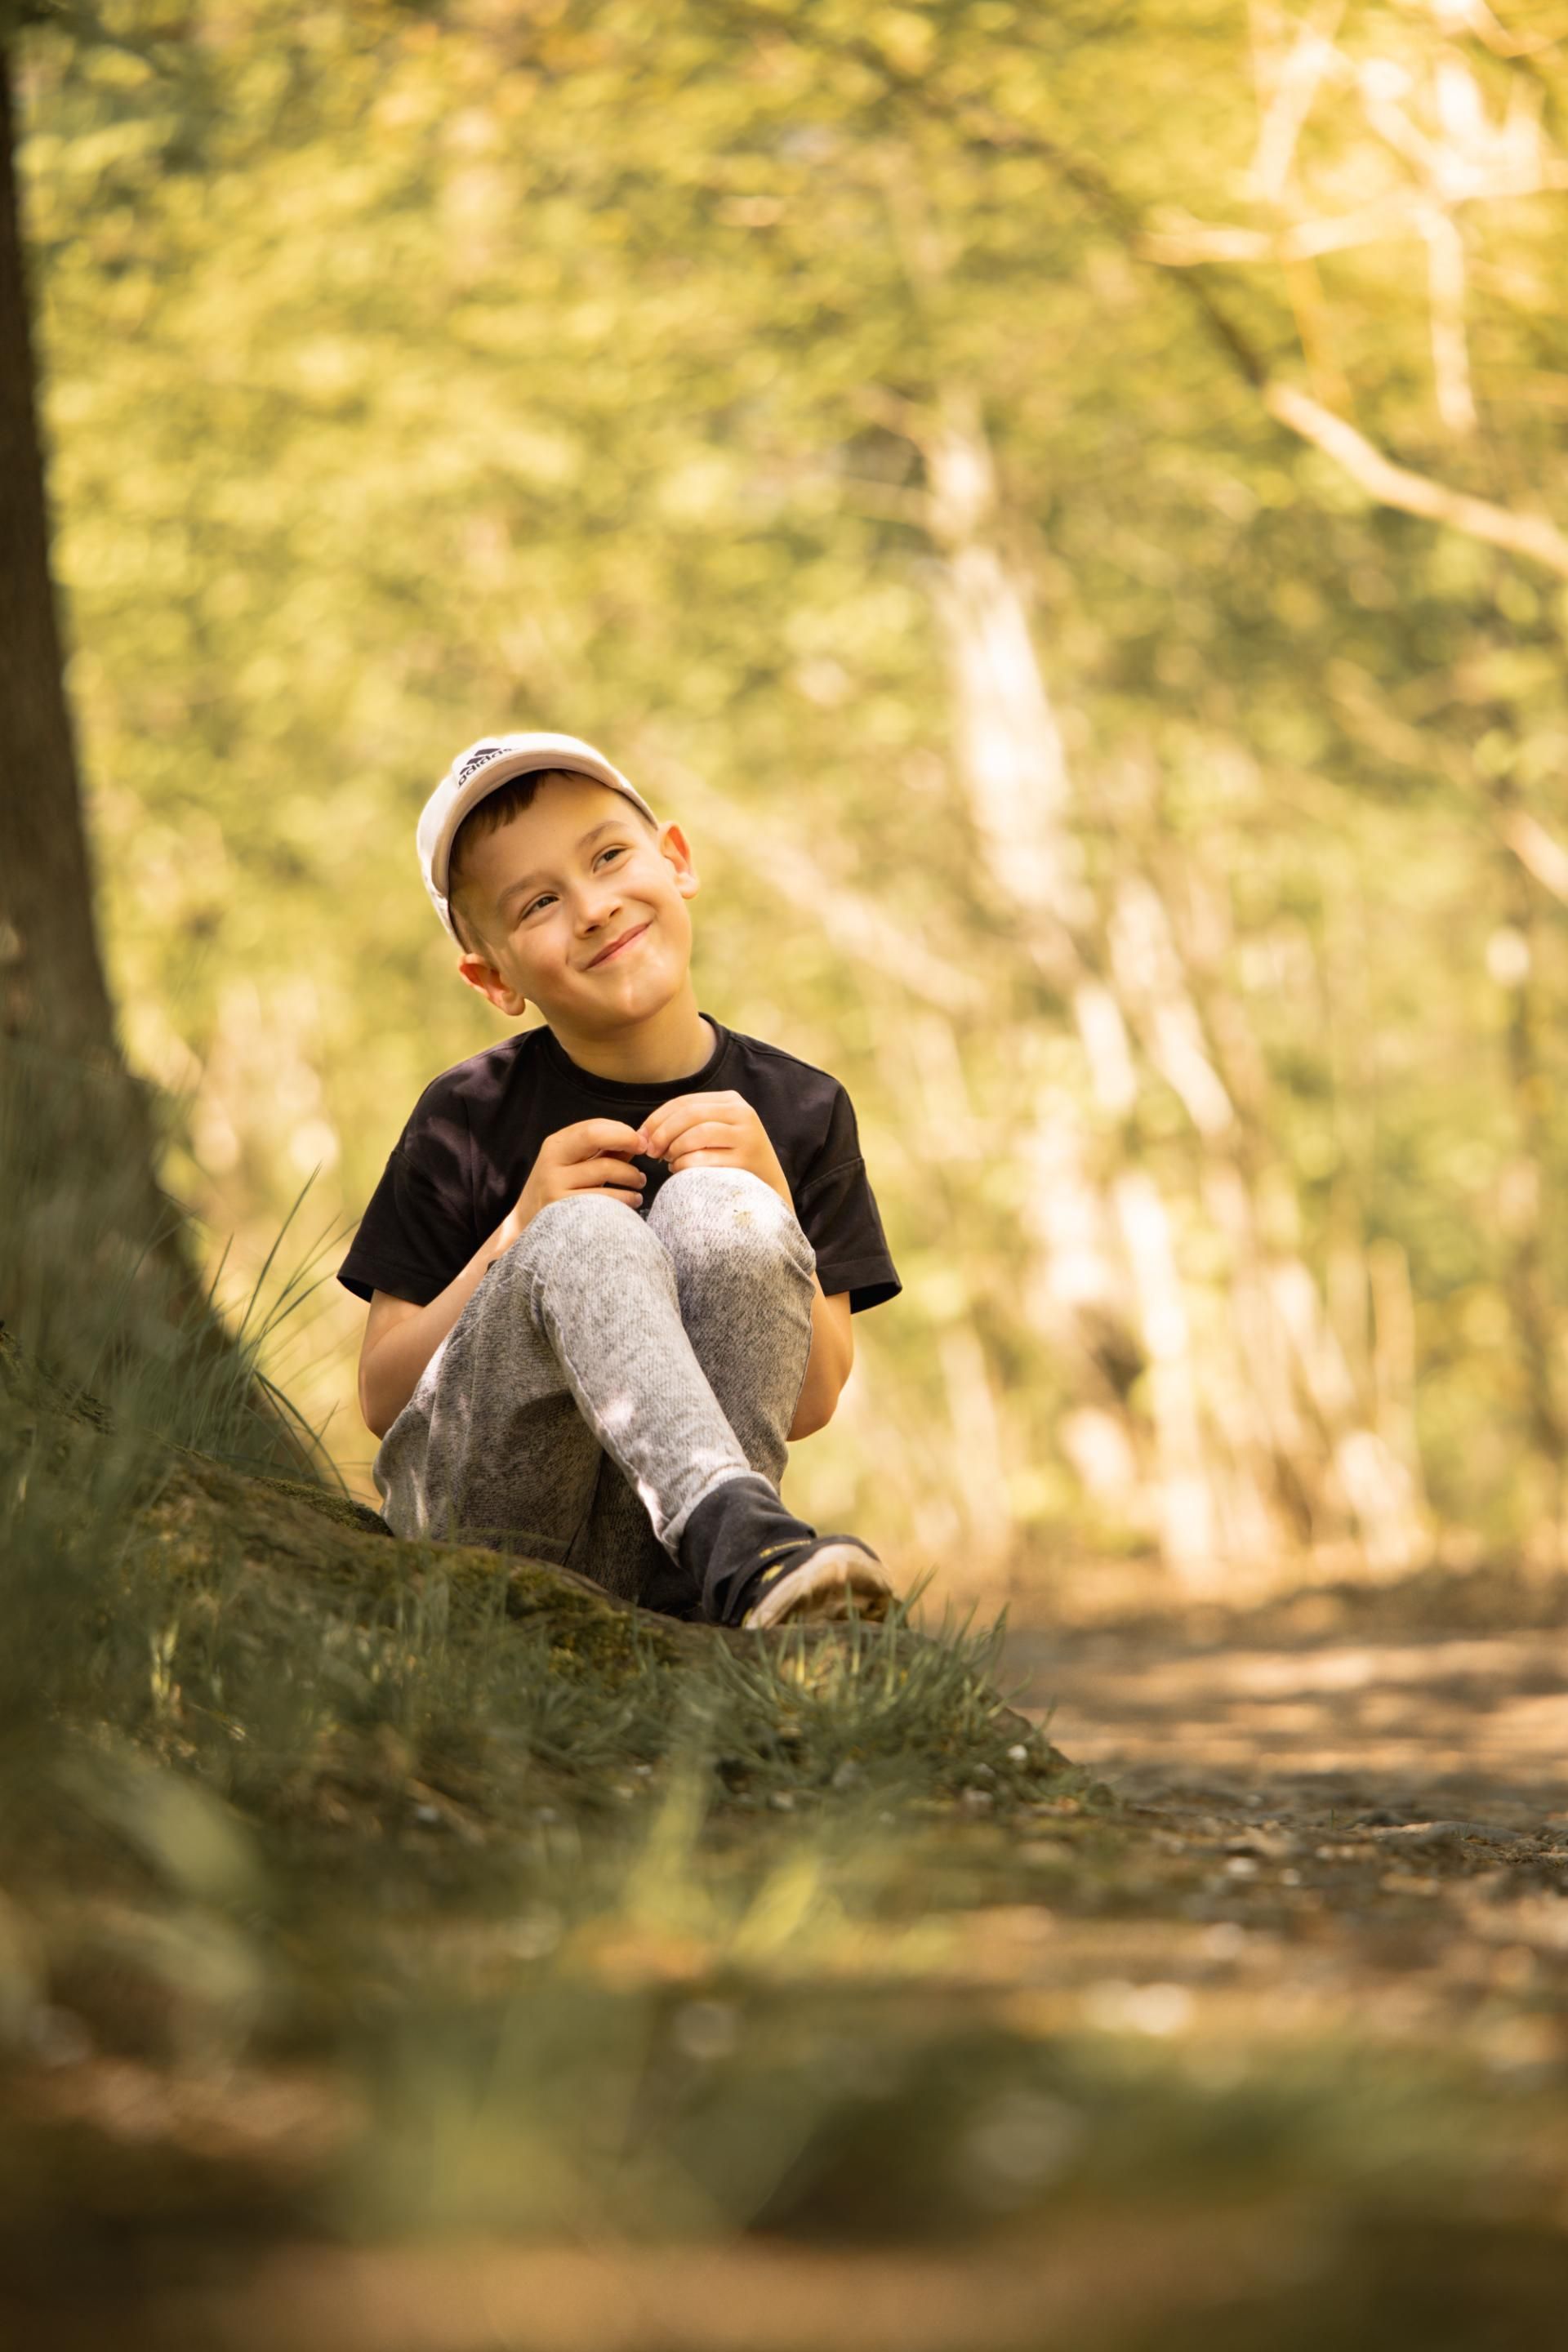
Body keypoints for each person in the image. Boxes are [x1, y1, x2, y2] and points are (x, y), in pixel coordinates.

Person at [337, 731, 902, 1630]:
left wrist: (773, 1204)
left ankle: (729, 1570)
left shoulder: (800, 1109)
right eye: (538, 905)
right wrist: (520, 1231)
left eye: (608, 856)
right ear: (494, 978)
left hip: (675, 1569)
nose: (594, 907)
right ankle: (742, 1539)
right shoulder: (467, 1114)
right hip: (495, 1526)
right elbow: (382, 1400)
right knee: (585, 1233)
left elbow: (810, 1404)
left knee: (724, 1207)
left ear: (674, 861)